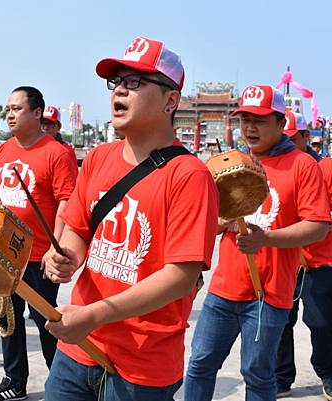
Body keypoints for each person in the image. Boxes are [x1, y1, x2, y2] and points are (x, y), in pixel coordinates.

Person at [43, 37, 219, 401]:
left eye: (136, 81)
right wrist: (65, 257)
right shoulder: (97, 158)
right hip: (78, 350)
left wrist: (95, 314)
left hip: (142, 364)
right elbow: (78, 228)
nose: (120, 89)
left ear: (171, 100)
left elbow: (181, 277)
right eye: (117, 81)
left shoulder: (189, 175)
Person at [184, 85, 331, 401]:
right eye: (245, 119)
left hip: (270, 293)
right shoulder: (231, 161)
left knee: (258, 374)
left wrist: (267, 239)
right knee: (199, 364)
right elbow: (210, 221)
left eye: (260, 120)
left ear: (281, 123)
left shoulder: (303, 164)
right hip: (224, 289)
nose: (250, 128)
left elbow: (318, 226)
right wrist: (221, 222)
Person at [0, 86, 78, 401]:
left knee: (45, 320)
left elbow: (66, 201)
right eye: (7, 108)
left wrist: (56, 245)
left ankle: (61, 381)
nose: (9, 114)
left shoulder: (57, 152)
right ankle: (14, 380)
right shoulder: (1, 151)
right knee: (7, 319)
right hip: (4, 253)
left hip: (38, 255)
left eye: (17, 108)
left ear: (37, 113)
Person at [275, 110, 332, 400]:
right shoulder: (275, 166)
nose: (284, 144)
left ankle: (327, 373)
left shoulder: (328, 167)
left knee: (321, 321)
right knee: (282, 320)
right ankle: (282, 377)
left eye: (291, 139)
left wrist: (317, 229)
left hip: (318, 260)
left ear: (307, 137)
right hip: (283, 259)